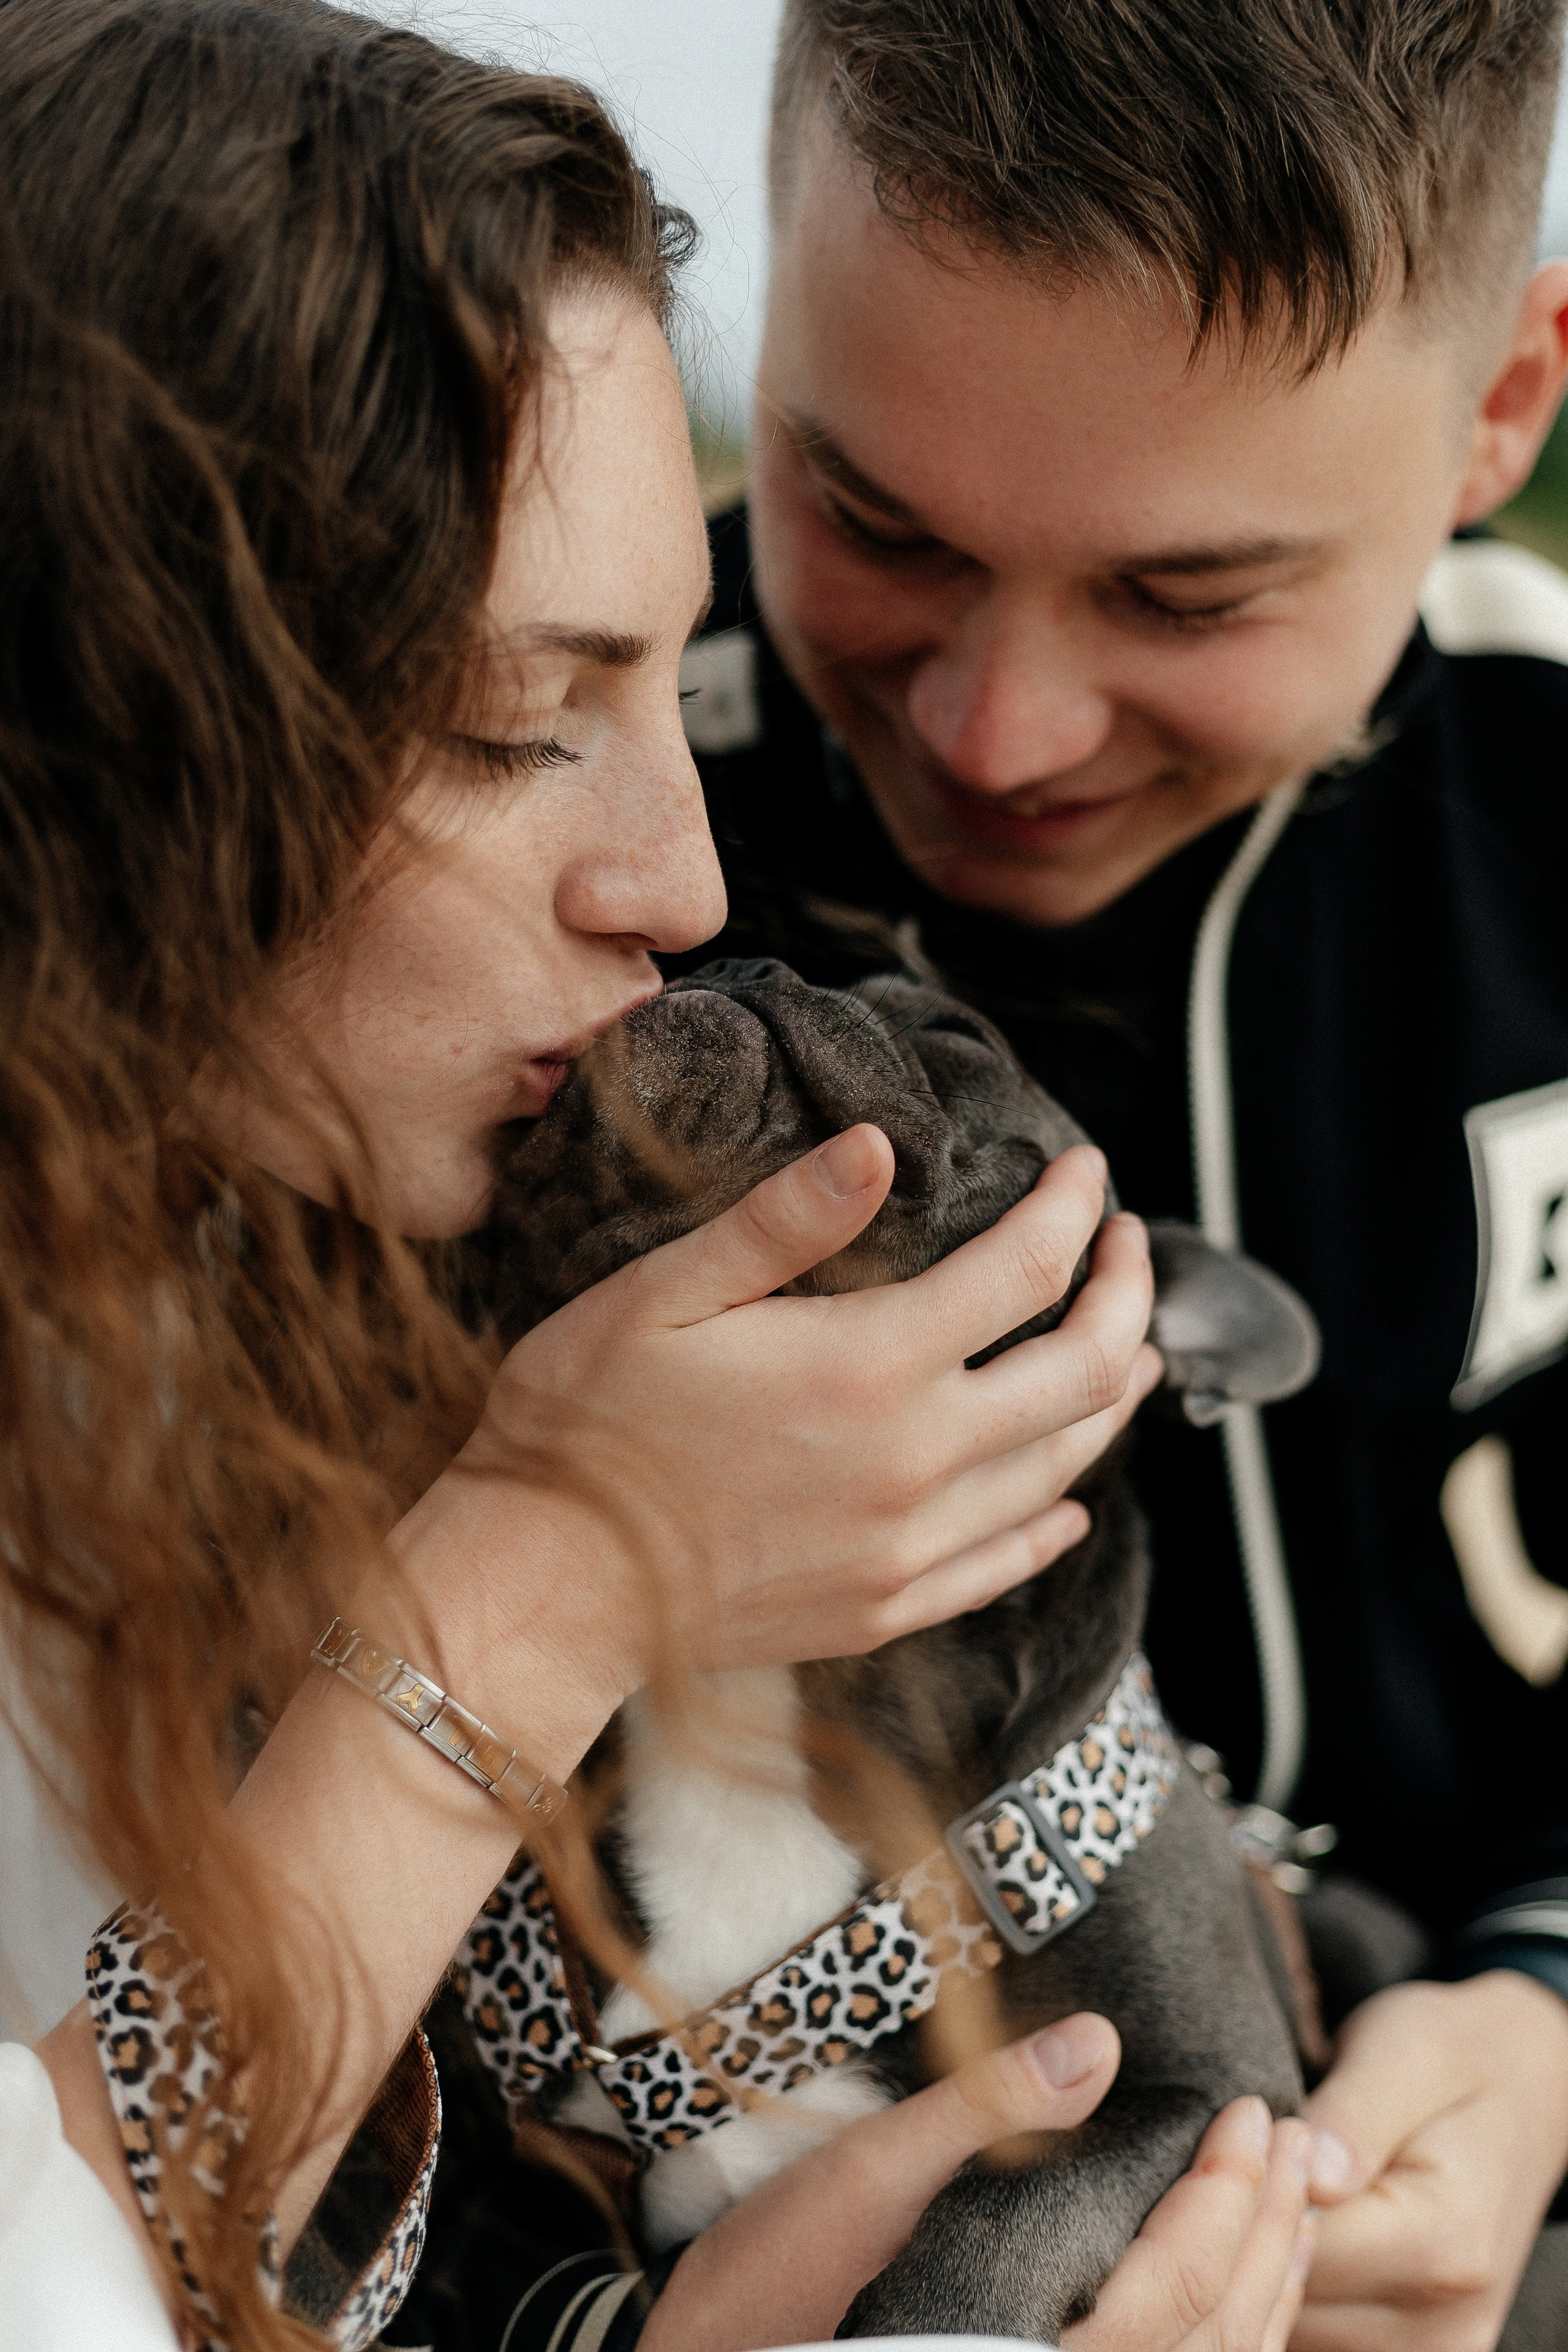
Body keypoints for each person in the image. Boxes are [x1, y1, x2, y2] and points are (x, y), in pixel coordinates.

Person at [0, 4, 1319, 2349]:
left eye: (667, 682)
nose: (687, 884)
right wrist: (537, 1579)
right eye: (522, 720)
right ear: (93, 721)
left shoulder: (268, 1319)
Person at [674, 1, 1568, 2344]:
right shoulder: (528, 784)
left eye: (1187, 599)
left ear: (1506, 406)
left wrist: (1552, 2004)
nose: (998, 729)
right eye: (866, 521)